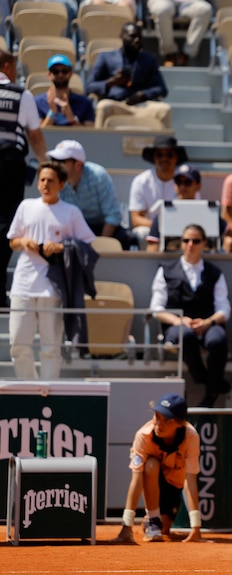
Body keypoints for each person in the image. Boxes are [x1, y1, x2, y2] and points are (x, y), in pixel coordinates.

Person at [7, 162, 95, 380]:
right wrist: (24, 242)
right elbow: (12, 241)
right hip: (23, 285)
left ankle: (48, 391)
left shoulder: (71, 212)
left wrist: (61, 246)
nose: (45, 184)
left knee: (51, 347)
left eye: (51, 180)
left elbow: (88, 244)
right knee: (18, 344)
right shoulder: (26, 206)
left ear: (62, 184)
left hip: (53, 287)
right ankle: (29, 389)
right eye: (42, 180)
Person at [149, 224, 232, 408]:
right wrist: (179, 321)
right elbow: (156, 308)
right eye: (186, 240)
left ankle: (210, 394)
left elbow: (224, 308)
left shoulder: (214, 273)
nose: (190, 245)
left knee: (218, 340)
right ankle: (208, 380)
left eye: (195, 241)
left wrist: (208, 322)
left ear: (204, 244)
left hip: (207, 324)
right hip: (176, 326)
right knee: (184, 335)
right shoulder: (166, 270)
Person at [110, 393, 202, 544]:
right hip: (151, 480)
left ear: (179, 423)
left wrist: (196, 527)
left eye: (167, 420)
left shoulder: (191, 436)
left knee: (165, 529)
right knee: (151, 464)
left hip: (174, 486)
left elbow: (190, 481)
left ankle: (155, 520)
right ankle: (152, 520)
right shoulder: (143, 436)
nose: (159, 424)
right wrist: (126, 525)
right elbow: (136, 480)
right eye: (157, 417)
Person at [0, 50, 48, 308]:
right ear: (7, 66)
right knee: (7, 224)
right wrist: (45, 164)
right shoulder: (22, 95)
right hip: (9, 166)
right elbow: (36, 137)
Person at [47, 140, 134, 250]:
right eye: (53, 161)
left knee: (124, 238)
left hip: (102, 228)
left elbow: (113, 216)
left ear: (78, 164)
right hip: (73, 230)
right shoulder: (56, 181)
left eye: (61, 161)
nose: (55, 166)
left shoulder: (98, 176)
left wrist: (100, 245)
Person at [87, 23, 171, 130]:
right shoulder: (105, 57)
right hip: (116, 104)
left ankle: (163, 146)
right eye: (133, 36)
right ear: (122, 37)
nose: (137, 40)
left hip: (142, 106)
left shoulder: (149, 59)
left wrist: (142, 94)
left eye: (140, 37)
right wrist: (111, 82)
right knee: (103, 106)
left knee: (165, 109)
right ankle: (99, 145)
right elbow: (90, 86)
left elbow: (161, 89)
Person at [146, 164, 232, 251]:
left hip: (205, 263)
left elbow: (230, 234)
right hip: (171, 263)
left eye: (187, 182)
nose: (182, 186)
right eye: (179, 182)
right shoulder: (163, 215)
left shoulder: (210, 213)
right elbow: (153, 247)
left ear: (198, 185)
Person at [129, 136, 188, 248]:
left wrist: (174, 227)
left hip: (180, 229)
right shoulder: (141, 181)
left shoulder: (186, 180)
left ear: (176, 157)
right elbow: (136, 218)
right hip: (151, 228)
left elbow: (193, 211)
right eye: (159, 155)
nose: (164, 158)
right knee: (141, 233)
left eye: (169, 154)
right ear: (154, 158)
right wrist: (160, 226)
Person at [35, 54, 95, 127]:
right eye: (55, 71)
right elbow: (38, 134)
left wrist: (72, 119)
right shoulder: (37, 102)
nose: (60, 75)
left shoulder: (85, 103)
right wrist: (52, 113)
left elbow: (90, 135)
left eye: (64, 71)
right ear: (49, 74)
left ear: (71, 74)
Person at [147, 0, 212, 67]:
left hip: (189, 2)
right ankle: (170, 54)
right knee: (162, 10)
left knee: (205, 10)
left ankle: (187, 54)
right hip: (162, 1)